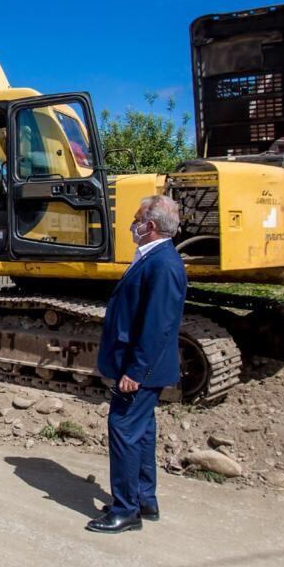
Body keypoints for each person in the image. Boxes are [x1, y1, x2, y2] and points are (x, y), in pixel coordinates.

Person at [86, 195, 187, 534]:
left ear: (150, 226)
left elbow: (158, 326)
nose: (132, 225)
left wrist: (136, 371)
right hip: (143, 367)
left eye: (136, 219)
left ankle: (125, 510)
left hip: (141, 369)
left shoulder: (162, 264)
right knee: (141, 432)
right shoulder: (154, 258)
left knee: (124, 429)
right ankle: (144, 499)